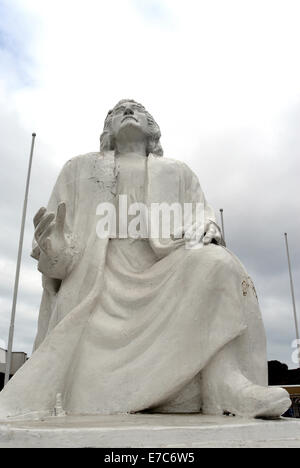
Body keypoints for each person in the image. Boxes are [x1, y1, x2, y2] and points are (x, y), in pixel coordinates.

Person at [0, 100, 290, 419]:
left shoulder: (178, 172)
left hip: (165, 276)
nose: (126, 112)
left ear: (151, 127)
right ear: (107, 129)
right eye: (116, 111)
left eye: (136, 109)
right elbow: (58, 255)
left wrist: (207, 228)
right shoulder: (77, 169)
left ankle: (223, 386)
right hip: (99, 284)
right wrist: (53, 249)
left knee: (217, 263)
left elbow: (202, 219)